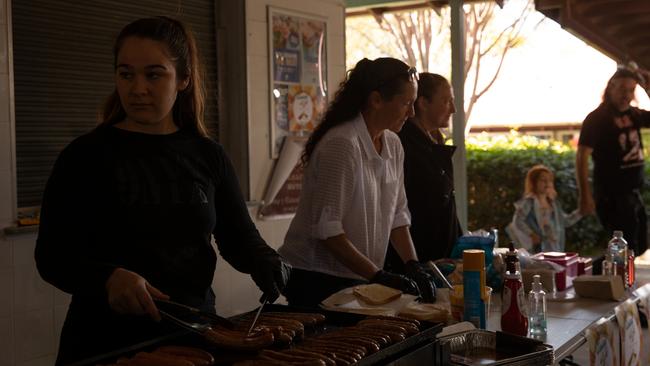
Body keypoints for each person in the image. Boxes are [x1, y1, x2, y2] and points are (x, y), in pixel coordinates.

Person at [34, 16, 290, 365]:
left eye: (153, 74)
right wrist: (108, 278)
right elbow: (52, 257)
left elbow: (238, 237)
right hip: (105, 342)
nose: (138, 88)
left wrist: (265, 260)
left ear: (183, 78)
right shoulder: (84, 156)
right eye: (126, 74)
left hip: (194, 335)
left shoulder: (207, 155)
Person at [277, 57, 436, 308]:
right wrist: (378, 276)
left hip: (359, 276)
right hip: (315, 277)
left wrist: (413, 265)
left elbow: (398, 215)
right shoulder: (342, 144)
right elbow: (328, 230)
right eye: (406, 103)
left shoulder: (393, 144)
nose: (412, 113)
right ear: (375, 100)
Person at [384, 73, 462, 274]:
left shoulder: (435, 141)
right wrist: (415, 265)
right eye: (446, 101)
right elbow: (399, 209)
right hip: (415, 261)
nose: (452, 109)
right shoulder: (402, 144)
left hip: (441, 260)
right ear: (423, 104)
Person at [576, 63, 650, 255]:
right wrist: (585, 195)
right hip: (612, 195)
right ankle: (615, 284)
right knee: (624, 252)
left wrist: (647, 87)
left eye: (631, 90)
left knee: (641, 247)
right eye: (622, 89)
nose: (626, 95)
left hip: (633, 193)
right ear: (611, 88)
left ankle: (630, 284)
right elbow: (582, 156)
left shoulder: (633, 114)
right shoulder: (597, 118)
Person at [506, 165, 582, 253]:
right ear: (534, 182)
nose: (547, 183)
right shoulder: (529, 202)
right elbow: (518, 221)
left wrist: (580, 213)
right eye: (543, 180)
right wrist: (531, 234)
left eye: (550, 180)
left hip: (554, 246)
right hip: (537, 247)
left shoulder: (553, 203)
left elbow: (564, 221)